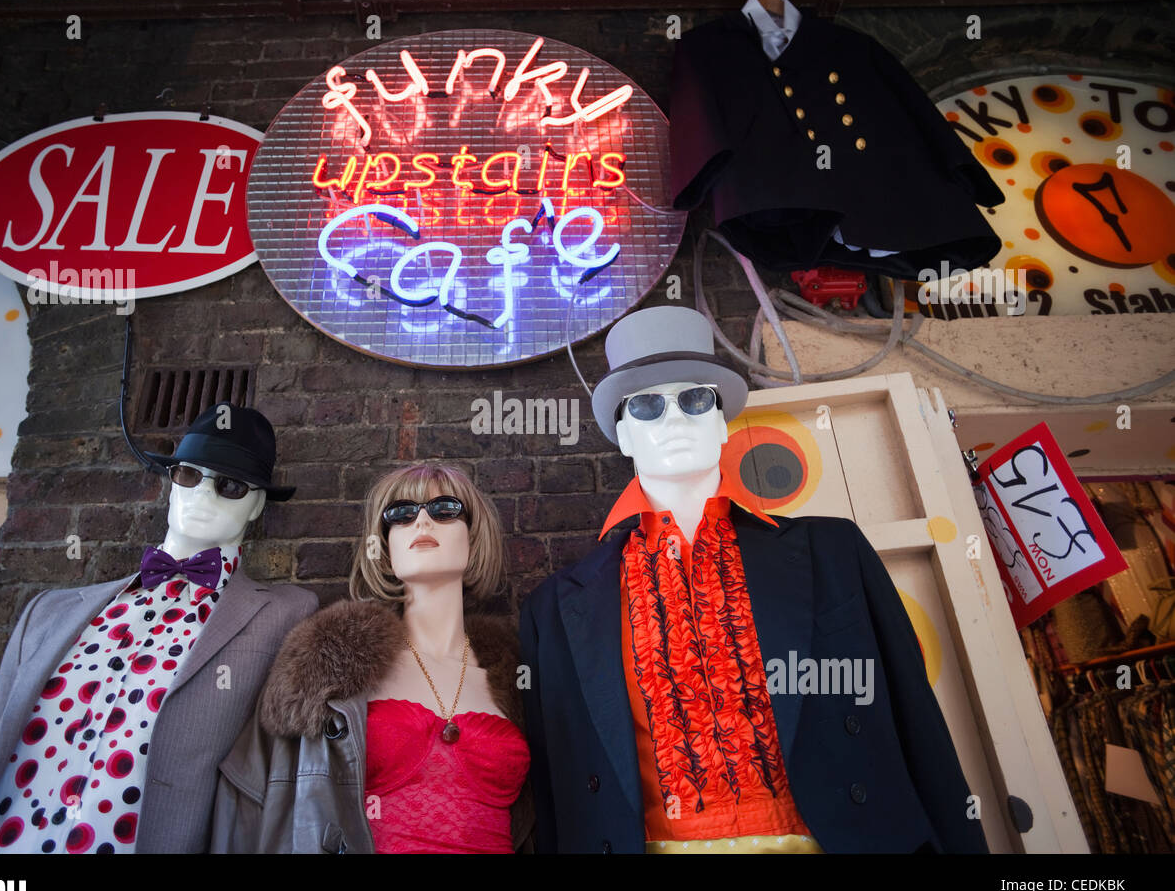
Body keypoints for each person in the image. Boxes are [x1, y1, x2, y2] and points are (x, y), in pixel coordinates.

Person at [519, 306, 988, 853]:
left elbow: (917, 722)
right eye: (646, 406)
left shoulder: (833, 551)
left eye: (695, 400)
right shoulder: (553, 608)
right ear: (622, 436)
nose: (673, 419)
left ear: (721, 421)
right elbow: (560, 795)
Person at [0, 404, 318, 853]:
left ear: (257, 504)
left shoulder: (284, 615)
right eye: (189, 476)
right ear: (172, 484)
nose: (203, 494)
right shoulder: (48, 613)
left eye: (231, 486)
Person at [212, 463, 531, 853]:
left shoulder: (522, 678)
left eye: (445, 509)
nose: (422, 522)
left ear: (474, 536)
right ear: (385, 544)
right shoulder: (325, 670)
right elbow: (248, 799)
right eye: (401, 514)